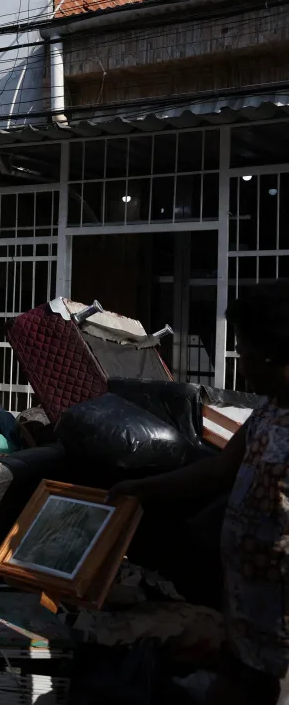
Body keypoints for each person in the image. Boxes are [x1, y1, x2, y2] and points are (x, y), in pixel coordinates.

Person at [111, 278, 289, 704]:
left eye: (243, 346)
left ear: (271, 350)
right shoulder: (270, 410)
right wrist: (138, 490)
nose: (239, 359)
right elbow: (218, 471)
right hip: (248, 612)